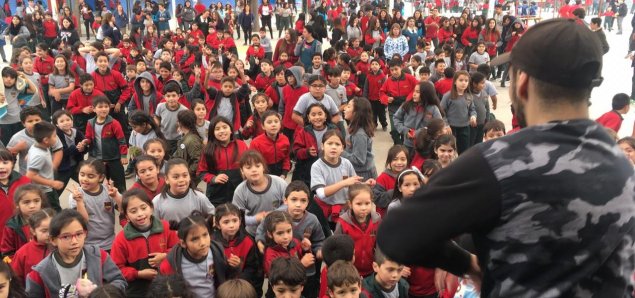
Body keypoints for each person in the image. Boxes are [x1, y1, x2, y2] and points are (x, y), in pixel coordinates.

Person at [377, 19, 635, 296]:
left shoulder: (500, 162)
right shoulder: (623, 165)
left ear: (522, 82)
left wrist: (467, 263)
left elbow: (397, 233)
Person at [26, 209, 127, 296]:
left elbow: (120, 281)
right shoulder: (40, 273)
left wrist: (100, 293)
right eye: (66, 237)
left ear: (85, 234)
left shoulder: (99, 256)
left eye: (79, 234)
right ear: (53, 240)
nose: (74, 242)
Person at [110, 189, 179, 297]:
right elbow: (116, 268)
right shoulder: (121, 239)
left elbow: (178, 249)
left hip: (166, 286)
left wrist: (165, 256)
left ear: (151, 208)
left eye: (143, 208)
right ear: (127, 216)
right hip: (137, 291)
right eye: (133, 211)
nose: (140, 214)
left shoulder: (166, 227)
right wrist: (138, 274)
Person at [159, 211, 233, 297]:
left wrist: (234, 267)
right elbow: (165, 288)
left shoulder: (216, 252)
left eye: (205, 235)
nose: (202, 243)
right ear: (183, 243)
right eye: (194, 239)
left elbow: (226, 276)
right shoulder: (173, 261)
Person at [11, 208, 54, 286]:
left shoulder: (61, 248)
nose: (49, 234)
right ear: (33, 231)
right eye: (44, 231)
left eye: (52, 229)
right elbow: (16, 279)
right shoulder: (22, 253)